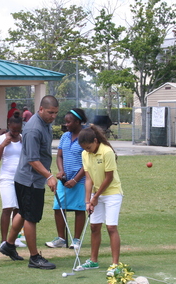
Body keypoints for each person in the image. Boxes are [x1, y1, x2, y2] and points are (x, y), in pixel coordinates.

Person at [0, 95, 59, 270]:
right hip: (30, 180)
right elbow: (33, 160)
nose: (53, 116)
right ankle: (34, 258)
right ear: (41, 109)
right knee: (31, 217)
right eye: (50, 112)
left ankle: (9, 245)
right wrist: (49, 176)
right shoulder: (34, 129)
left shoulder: (45, 124)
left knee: (24, 212)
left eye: (55, 113)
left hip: (31, 179)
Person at [78, 125, 123, 271]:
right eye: (85, 148)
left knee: (111, 227)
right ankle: (93, 261)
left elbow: (109, 178)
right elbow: (88, 178)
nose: (87, 150)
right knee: (94, 226)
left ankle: (115, 264)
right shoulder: (85, 154)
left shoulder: (107, 151)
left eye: (89, 147)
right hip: (96, 194)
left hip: (112, 193)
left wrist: (95, 197)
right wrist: (87, 201)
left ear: (95, 141)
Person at [46, 108, 87, 250]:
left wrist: (75, 179)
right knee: (58, 207)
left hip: (80, 181)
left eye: (69, 122)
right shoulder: (65, 137)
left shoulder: (85, 136)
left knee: (79, 209)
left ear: (77, 121)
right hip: (64, 180)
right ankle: (61, 239)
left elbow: (88, 163)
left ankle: (76, 240)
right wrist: (61, 170)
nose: (66, 125)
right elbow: (59, 156)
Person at [0, 111, 26, 248]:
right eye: (13, 130)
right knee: (8, 208)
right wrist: (3, 146)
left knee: (18, 209)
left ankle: (15, 238)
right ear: (8, 126)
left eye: (18, 130)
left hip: (21, 178)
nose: (16, 133)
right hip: (7, 178)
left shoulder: (23, 138)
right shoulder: (1, 140)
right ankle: (3, 240)